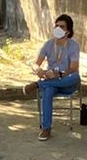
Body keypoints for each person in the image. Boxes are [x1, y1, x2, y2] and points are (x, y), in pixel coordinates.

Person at [25, 14, 81, 142]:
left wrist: (59, 74)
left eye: (62, 26)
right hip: (52, 82)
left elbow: (73, 68)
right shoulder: (48, 44)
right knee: (49, 90)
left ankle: (38, 85)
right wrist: (37, 69)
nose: (58, 28)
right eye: (56, 26)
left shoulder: (73, 46)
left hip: (67, 82)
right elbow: (35, 63)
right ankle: (46, 129)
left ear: (68, 30)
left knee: (75, 77)